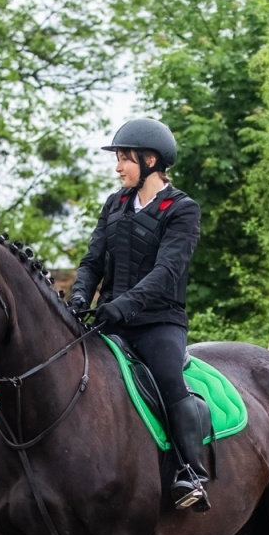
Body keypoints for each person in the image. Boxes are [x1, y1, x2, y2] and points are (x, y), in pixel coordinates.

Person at [70, 118, 210, 512]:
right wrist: (81, 296)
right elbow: (92, 259)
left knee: (167, 376)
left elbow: (167, 272)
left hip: (158, 322)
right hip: (111, 320)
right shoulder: (114, 204)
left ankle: (190, 471)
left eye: (124, 160)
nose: (118, 168)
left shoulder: (182, 209)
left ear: (150, 160)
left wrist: (122, 306)